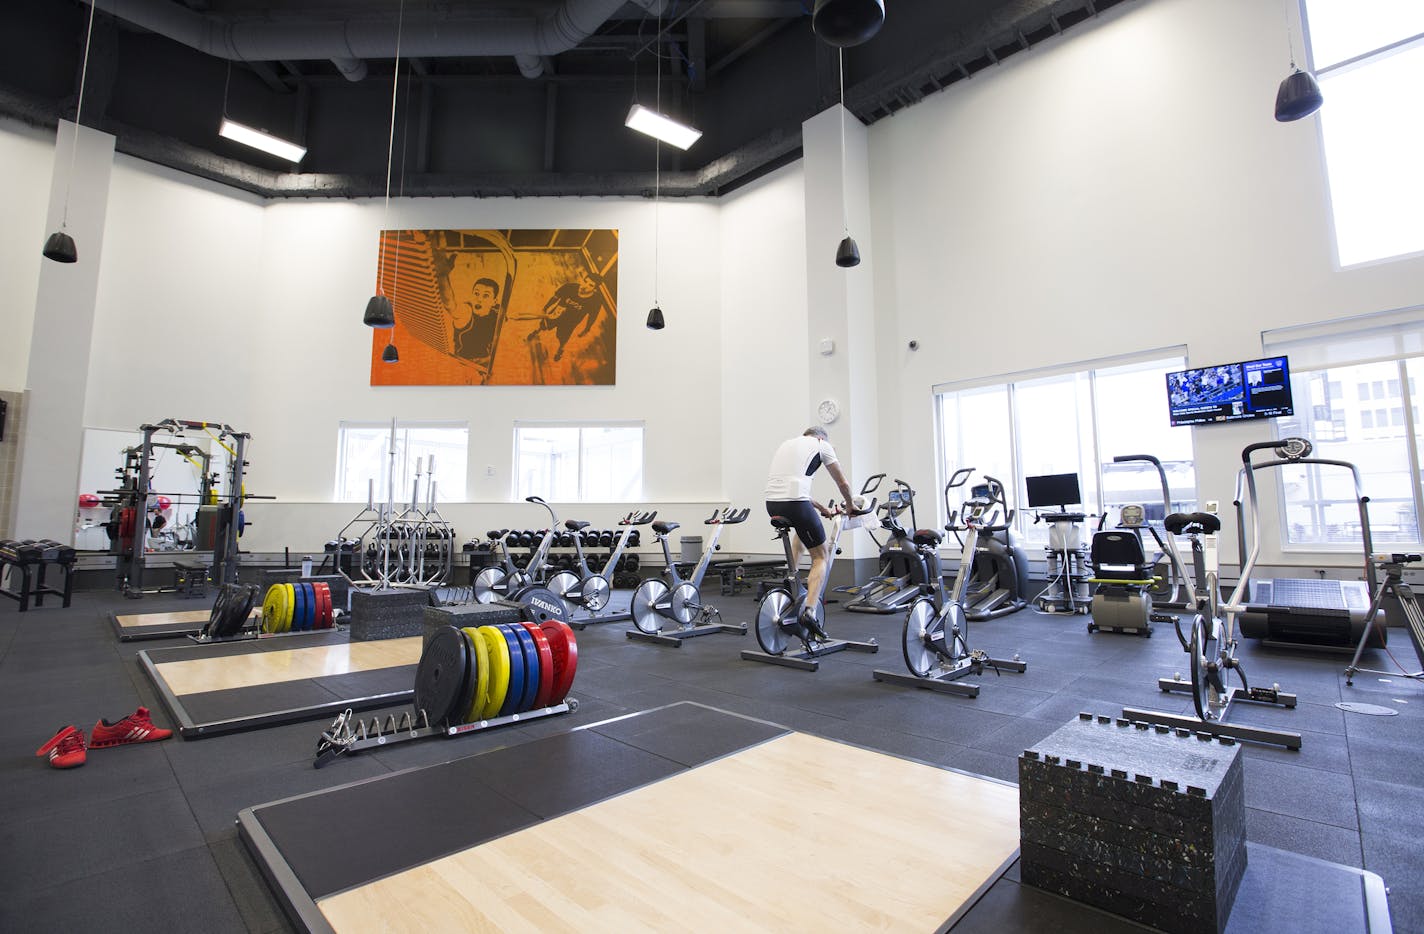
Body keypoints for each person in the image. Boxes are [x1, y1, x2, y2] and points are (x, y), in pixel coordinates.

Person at [764, 426, 863, 640]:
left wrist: (821, 509)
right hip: (796, 505)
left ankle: (793, 579)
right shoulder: (822, 445)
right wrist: (849, 505)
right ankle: (809, 611)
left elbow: (798, 492)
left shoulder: (787, 444)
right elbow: (843, 482)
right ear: (820, 437)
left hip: (772, 505)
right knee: (821, 556)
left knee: (801, 533)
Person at [540, 269, 606, 362]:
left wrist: (587, 329)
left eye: (590, 285)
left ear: (594, 289)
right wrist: (544, 309)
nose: (584, 286)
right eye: (585, 281)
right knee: (543, 326)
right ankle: (536, 331)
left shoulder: (595, 301)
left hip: (569, 324)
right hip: (556, 315)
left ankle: (560, 350)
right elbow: (555, 297)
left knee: (562, 339)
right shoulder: (569, 287)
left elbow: (592, 316)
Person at [450, 277, 501, 362]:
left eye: (485, 296)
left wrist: (487, 359)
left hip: (485, 364)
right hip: (462, 364)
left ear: (494, 302)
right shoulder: (465, 312)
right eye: (476, 294)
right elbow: (450, 305)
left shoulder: (497, 315)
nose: (479, 299)